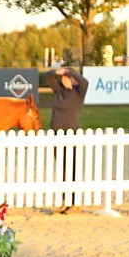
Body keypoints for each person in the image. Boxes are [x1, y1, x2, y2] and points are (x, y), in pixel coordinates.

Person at [44, 66, 89, 213]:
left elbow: (85, 82)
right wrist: (57, 71)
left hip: (72, 135)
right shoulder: (59, 91)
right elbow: (47, 76)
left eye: (67, 77)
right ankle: (65, 201)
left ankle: (75, 203)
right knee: (62, 169)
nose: (64, 79)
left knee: (73, 168)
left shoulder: (78, 93)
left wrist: (69, 72)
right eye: (63, 78)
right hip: (57, 135)